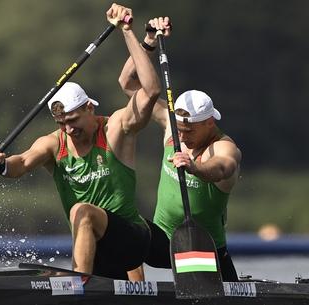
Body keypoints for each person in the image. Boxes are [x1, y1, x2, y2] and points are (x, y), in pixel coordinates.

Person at [0, 4, 160, 281]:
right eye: (61, 123)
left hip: (133, 241)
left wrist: (128, 32)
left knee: (82, 211)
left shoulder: (116, 129)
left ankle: (79, 286)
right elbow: (22, 163)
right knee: (85, 224)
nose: (68, 128)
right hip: (98, 250)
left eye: (73, 120)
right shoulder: (54, 144)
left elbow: (151, 91)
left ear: (90, 107)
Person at [118, 17, 242, 282]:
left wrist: (194, 167)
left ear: (209, 122)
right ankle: (128, 289)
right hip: (163, 242)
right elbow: (128, 82)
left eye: (190, 130)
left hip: (205, 250)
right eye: (180, 129)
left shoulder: (224, 147)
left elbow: (223, 168)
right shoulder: (170, 124)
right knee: (122, 230)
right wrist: (149, 41)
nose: (182, 136)